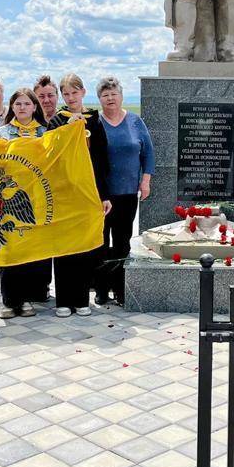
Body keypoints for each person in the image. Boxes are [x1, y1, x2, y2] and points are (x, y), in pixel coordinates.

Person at [47, 73, 112, 318]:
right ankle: (63, 300)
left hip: (88, 193)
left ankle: (81, 298)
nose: (71, 97)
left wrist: (104, 195)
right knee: (63, 247)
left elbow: (102, 160)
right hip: (64, 193)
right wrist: (67, 129)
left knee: (84, 247)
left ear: (83, 92)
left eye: (75, 92)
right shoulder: (56, 121)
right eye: (66, 94)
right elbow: (51, 154)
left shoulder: (95, 121)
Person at [96, 76, 154, 306]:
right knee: (100, 242)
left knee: (122, 242)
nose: (110, 98)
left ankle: (120, 289)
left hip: (128, 193)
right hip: (101, 196)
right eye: (105, 94)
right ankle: (101, 289)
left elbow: (148, 153)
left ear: (121, 96)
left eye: (114, 93)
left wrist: (145, 181)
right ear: (99, 99)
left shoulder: (135, 121)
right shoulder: (95, 123)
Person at [0, 87, 49, 319]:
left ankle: (26, 298)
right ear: (12, 107)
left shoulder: (45, 132)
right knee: (9, 249)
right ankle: (9, 300)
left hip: (36, 198)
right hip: (8, 198)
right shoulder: (2, 133)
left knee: (30, 249)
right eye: (18, 104)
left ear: (35, 107)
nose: (23, 108)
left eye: (27, 104)